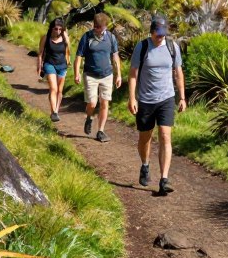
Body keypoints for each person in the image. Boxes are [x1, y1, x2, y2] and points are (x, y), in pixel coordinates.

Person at [128, 15, 186, 196]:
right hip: (146, 100)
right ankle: (145, 165)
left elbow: (178, 73)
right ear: (151, 32)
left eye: (163, 34)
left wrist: (182, 97)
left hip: (166, 99)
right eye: (157, 34)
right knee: (145, 138)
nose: (160, 37)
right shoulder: (143, 47)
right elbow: (133, 74)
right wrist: (132, 98)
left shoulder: (172, 47)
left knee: (165, 136)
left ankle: (164, 180)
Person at [73, 13, 121, 142]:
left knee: (104, 102)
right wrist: (76, 73)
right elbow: (78, 57)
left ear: (105, 26)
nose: (96, 28)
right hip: (90, 75)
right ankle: (89, 118)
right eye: (95, 26)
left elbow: (115, 57)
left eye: (99, 26)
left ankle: (100, 131)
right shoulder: (87, 37)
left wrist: (119, 75)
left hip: (107, 75)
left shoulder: (111, 38)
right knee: (92, 103)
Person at [38, 18, 71, 122]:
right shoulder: (45, 38)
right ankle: (53, 112)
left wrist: (68, 61)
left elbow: (68, 50)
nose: (58, 31)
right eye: (56, 29)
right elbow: (40, 53)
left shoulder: (64, 37)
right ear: (51, 28)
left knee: (60, 91)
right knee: (53, 88)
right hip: (49, 64)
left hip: (62, 65)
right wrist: (39, 66)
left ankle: (56, 110)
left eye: (60, 29)